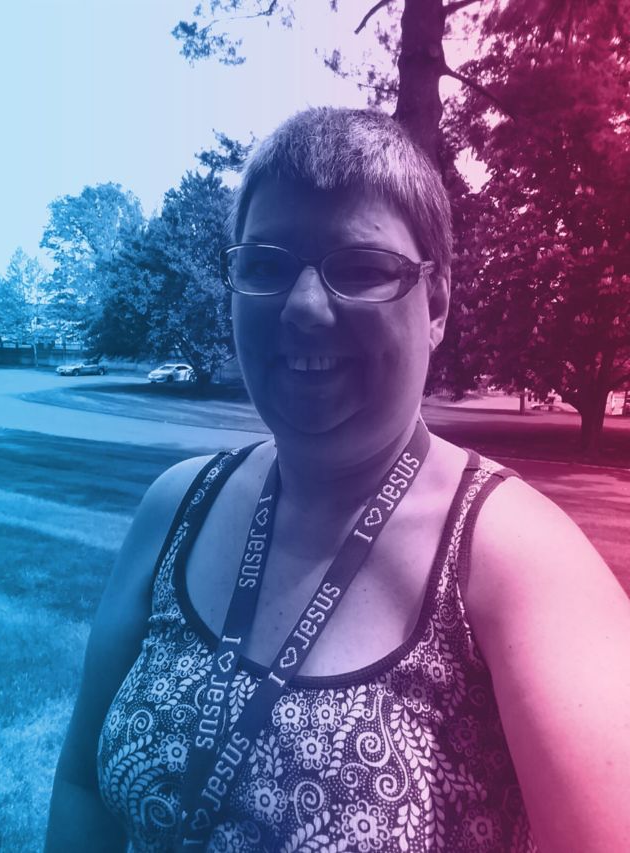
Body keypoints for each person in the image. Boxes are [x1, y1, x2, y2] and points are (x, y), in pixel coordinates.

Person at [45, 108, 630, 853]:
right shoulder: (176, 509)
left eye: (360, 269)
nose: (303, 307)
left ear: (437, 302)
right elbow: (83, 785)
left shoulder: (522, 563)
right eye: (266, 266)